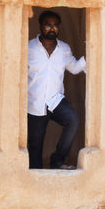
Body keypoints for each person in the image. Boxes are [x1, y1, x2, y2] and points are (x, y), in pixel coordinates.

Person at [27, 10, 86, 169]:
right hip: (34, 103)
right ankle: (35, 178)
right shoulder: (28, 48)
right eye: (48, 25)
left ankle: (57, 160)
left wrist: (90, 56)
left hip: (56, 100)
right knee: (35, 146)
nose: (52, 29)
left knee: (73, 120)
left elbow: (73, 68)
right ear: (41, 26)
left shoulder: (64, 49)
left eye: (55, 26)